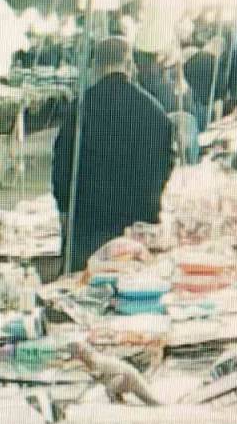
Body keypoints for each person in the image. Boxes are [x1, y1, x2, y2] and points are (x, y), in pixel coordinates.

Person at [53, 38, 174, 273]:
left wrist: (64, 209)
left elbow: (62, 166)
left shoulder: (80, 109)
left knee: (83, 290)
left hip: (89, 225)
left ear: (96, 66)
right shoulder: (156, 113)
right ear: (129, 63)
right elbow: (166, 170)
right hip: (140, 228)